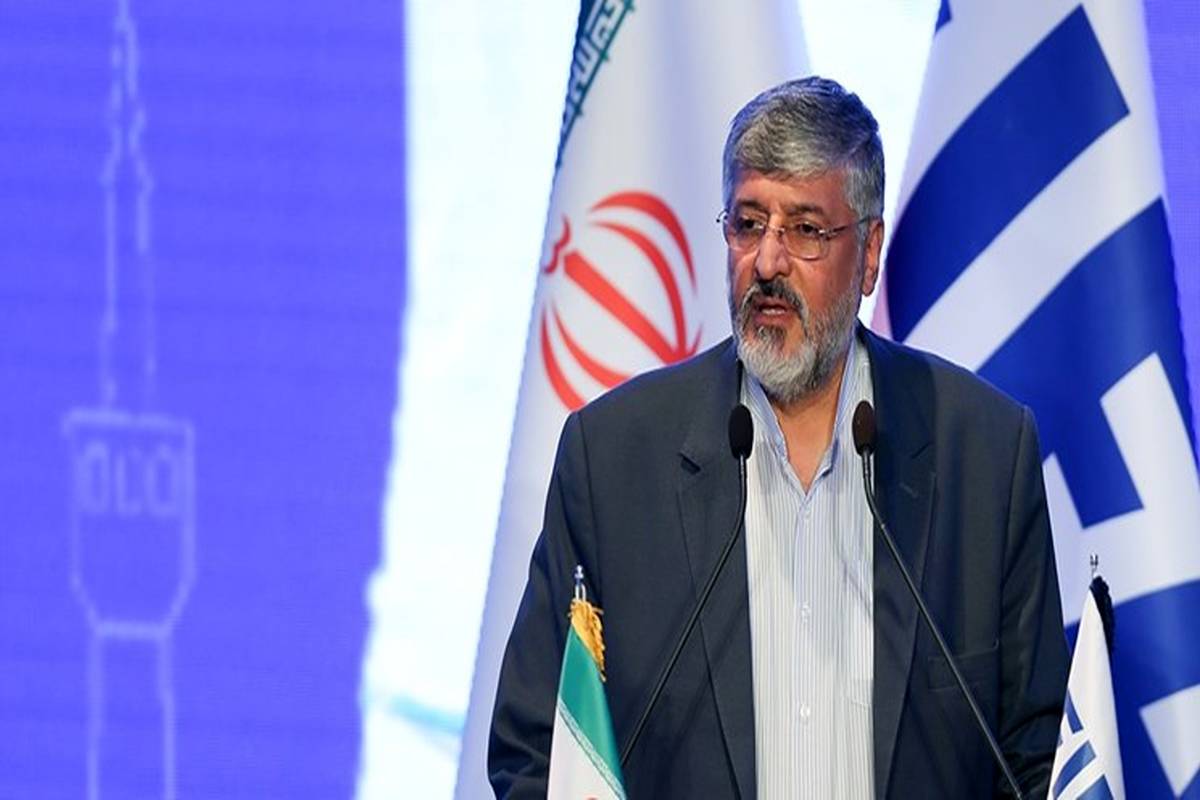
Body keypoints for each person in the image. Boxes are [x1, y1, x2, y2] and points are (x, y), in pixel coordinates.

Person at [488, 76, 1068, 799]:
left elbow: (1038, 760)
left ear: (869, 253)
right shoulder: (612, 462)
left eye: (805, 230)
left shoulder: (983, 456)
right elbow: (534, 753)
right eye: (748, 223)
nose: (766, 263)